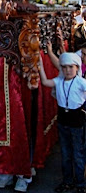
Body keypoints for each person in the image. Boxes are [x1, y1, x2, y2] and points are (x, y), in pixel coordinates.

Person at [39, 52, 86, 193]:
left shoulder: (81, 82)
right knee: (65, 153)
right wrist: (40, 65)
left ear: (77, 68)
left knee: (78, 153)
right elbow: (45, 82)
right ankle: (67, 181)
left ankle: (80, 183)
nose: (67, 70)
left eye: (71, 67)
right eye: (64, 67)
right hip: (63, 120)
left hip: (77, 120)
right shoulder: (59, 81)